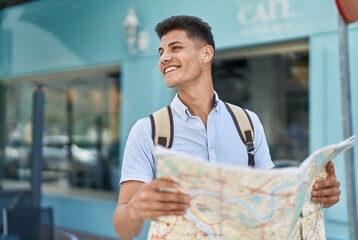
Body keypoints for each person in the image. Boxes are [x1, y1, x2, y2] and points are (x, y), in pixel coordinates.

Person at [113, 15, 340, 239]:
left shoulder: (248, 124)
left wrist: (315, 195)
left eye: (175, 48)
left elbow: (274, 203)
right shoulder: (147, 131)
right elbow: (124, 230)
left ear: (206, 54)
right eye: (161, 52)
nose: (164, 58)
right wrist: (136, 209)